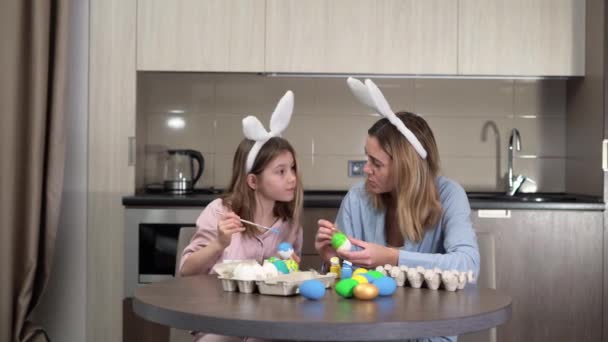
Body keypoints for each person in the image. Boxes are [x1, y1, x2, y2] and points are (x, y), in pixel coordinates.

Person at [314, 78, 479, 342]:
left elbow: (467, 266)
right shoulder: (357, 200)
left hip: (428, 333)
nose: (365, 169)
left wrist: (392, 258)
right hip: (364, 334)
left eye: (375, 163)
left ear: (406, 166)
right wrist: (333, 260)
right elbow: (341, 289)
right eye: (366, 158)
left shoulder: (449, 196)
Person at [180, 91, 303, 342]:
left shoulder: (289, 226)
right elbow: (187, 271)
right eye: (280, 171)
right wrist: (219, 243)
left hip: (267, 323)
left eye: (292, 169)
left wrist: (291, 268)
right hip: (219, 321)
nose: (292, 178)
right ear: (253, 180)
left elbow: (287, 284)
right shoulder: (219, 212)